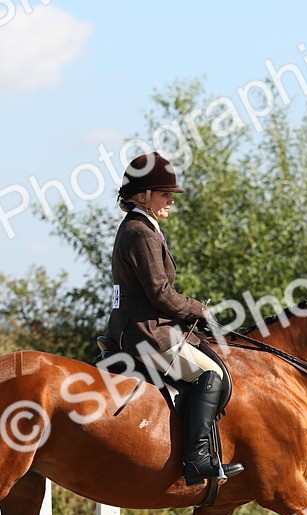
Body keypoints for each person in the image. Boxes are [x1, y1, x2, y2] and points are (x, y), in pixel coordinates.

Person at [102, 152, 243, 486]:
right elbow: (160, 293)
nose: (170, 201)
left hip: (144, 327)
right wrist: (200, 310)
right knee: (211, 373)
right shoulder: (140, 232)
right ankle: (197, 459)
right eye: (165, 194)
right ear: (142, 195)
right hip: (145, 333)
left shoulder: (142, 228)